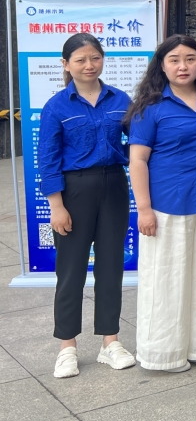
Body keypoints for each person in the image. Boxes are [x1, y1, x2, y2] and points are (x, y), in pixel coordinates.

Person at [40, 33, 135, 379]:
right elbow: (48, 159)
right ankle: (67, 347)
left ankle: (110, 342)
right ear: (66, 65)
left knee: (111, 267)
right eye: (80, 60)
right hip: (74, 191)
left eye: (95, 58)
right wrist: (57, 206)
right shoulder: (56, 106)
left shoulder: (120, 99)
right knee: (71, 271)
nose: (89, 65)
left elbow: (137, 143)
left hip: (114, 186)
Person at [127, 35, 196, 373]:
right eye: (175, 60)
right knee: (165, 278)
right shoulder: (151, 107)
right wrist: (144, 209)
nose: (183, 66)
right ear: (162, 66)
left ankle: (195, 346)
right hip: (165, 204)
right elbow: (138, 160)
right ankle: (162, 353)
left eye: (190, 59)